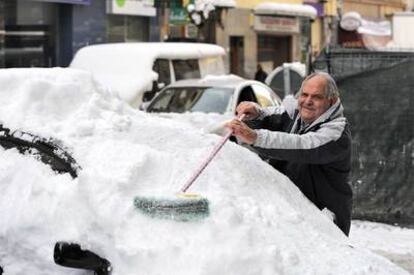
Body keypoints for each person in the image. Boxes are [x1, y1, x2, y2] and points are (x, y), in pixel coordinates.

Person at [226, 72, 353, 235]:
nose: (307, 101)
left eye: (317, 97)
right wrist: (256, 113)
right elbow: (272, 115)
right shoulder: (297, 114)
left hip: (324, 221)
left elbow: (302, 145)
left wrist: (256, 137)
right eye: (304, 94)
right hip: (293, 215)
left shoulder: (336, 132)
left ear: (332, 101)